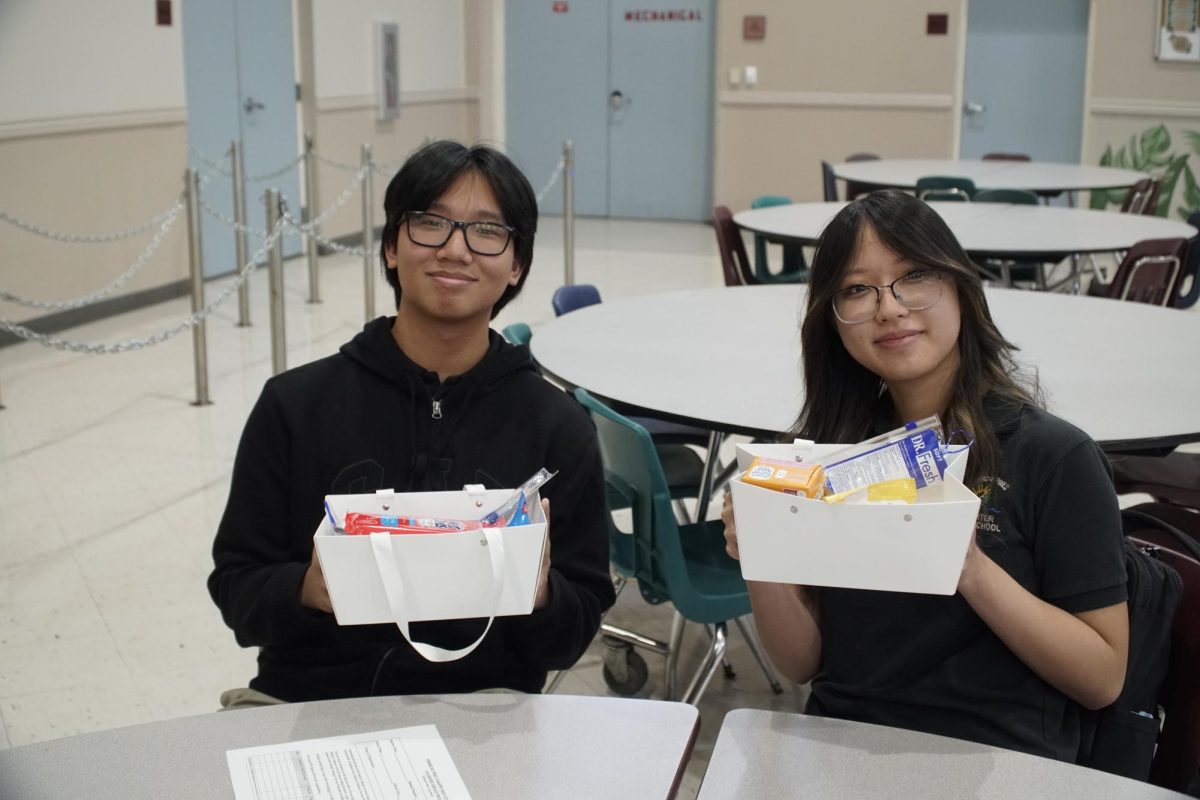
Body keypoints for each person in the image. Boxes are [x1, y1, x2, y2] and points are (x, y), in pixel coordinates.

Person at [722, 189, 1129, 762]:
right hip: (844, 743)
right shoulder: (829, 458)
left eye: (914, 276)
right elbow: (801, 663)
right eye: (857, 290)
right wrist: (762, 557)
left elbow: (1103, 677)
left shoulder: (1054, 456)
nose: (889, 308)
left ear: (961, 286)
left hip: (999, 757)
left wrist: (966, 565)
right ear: (833, 322)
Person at [209, 140, 615, 703]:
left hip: (488, 713)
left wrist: (542, 593)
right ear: (393, 246)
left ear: (517, 263)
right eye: (431, 223)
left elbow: (574, 629)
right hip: (311, 702)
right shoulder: (294, 405)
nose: (456, 249)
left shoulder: (557, 426)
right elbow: (237, 590)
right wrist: (305, 588)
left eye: (487, 231)